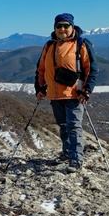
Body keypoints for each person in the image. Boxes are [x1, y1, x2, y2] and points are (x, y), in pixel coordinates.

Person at [34, 13, 98, 171]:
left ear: (72, 26)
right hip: (54, 95)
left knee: (74, 126)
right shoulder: (49, 45)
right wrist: (39, 88)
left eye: (65, 26)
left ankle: (76, 159)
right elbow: (41, 69)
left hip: (74, 94)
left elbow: (92, 69)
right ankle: (67, 153)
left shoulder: (81, 43)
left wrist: (86, 90)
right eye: (59, 26)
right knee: (63, 125)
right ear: (54, 28)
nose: (62, 29)